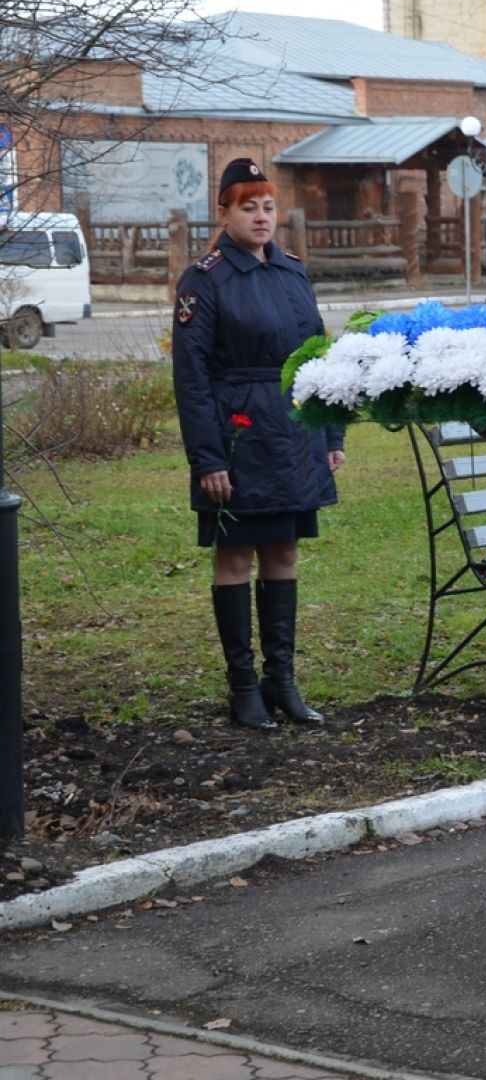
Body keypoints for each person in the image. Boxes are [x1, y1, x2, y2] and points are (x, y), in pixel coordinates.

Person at [172, 158, 344, 731]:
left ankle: (282, 681)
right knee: (236, 557)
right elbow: (191, 377)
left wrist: (332, 432)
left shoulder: (293, 271)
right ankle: (243, 687)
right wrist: (208, 458)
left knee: (284, 554)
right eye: (249, 206)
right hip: (238, 437)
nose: (262, 217)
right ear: (223, 212)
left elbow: (320, 356)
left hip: (295, 433)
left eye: (268, 206)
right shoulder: (205, 278)